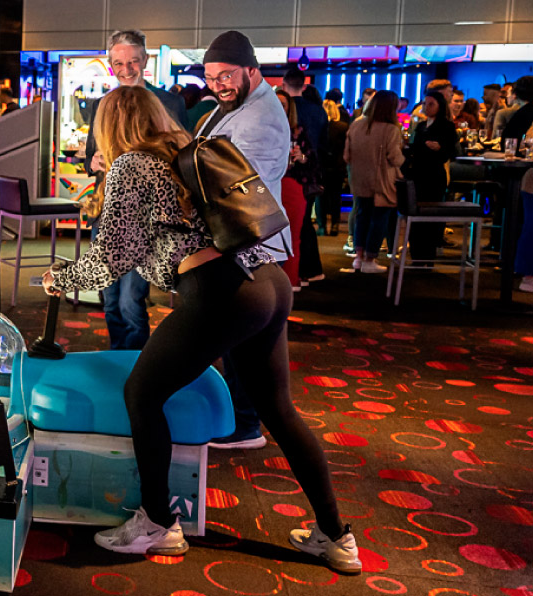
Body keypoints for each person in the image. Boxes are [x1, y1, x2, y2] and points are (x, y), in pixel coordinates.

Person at [39, 85, 359, 574]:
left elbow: (113, 256)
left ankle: (156, 523)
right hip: (267, 280)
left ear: (110, 126)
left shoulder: (131, 165)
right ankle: (336, 536)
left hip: (220, 291)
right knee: (279, 408)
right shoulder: (184, 150)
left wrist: (60, 278)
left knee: (142, 394)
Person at [193, 31, 291, 450]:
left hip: (247, 242)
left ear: (253, 70)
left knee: (244, 339)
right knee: (240, 338)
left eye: (226, 76)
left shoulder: (261, 117)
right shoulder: (241, 103)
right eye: (211, 78)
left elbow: (234, 186)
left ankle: (246, 424)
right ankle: (243, 418)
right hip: (237, 240)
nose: (218, 86)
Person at [85, 29, 189, 350]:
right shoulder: (103, 103)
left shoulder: (170, 102)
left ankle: (136, 368)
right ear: (110, 64)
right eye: (119, 63)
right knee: (110, 298)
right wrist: (95, 161)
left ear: (145, 59)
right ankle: (121, 359)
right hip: (107, 210)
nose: (126, 69)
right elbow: (91, 154)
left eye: (133, 61)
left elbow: (184, 156)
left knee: (131, 300)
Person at [344, 91, 405, 274]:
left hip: (359, 179)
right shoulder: (391, 129)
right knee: (379, 219)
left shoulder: (356, 125)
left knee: (361, 216)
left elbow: (347, 155)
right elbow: (395, 158)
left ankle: (358, 257)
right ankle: (370, 258)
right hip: (382, 182)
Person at [276, 90, 323, 288]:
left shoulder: (297, 131)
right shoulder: (261, 129)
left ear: (289, 109)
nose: (279, 108)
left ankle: (291, 280)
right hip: (268, 187)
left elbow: (311, 161)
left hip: (292, 183)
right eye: (275, 103)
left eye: (283, 104)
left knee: (293, 235)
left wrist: (301, 157)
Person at [405, 91, 459, 261]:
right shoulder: (421, 126)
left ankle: (427, 254)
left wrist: (439, 148)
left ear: (440, 106)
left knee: (431, 215)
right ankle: (416, 254)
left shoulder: (447, 126)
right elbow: (414, 148)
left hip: (434, 175)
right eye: (424, 104)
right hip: (418, 174)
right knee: (416, 214)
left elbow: (450, 153)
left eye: (430, 104)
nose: (426, 108)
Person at [499, 76, 533, 293]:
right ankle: (527, 275)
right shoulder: (527, 113)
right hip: (530, 176)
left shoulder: (523, 112)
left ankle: (523, 271)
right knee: (530, 224)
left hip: (526, 177)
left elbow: (508, 141)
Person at [318, 100, 350, 237]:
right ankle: (335, 225)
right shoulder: (343, 127)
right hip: (338, 166)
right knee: (336, 197)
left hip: (321, 166)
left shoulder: (318, 126)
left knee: (321, 198)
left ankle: (322, 225)